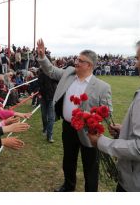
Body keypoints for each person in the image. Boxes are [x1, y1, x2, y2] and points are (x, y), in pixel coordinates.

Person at [37, 39, 112, 192]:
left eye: (80, 60)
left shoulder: (102, 87)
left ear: (89, 65)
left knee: (90, 165)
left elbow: (107, 112)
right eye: (77, 59)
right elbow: (50, 70)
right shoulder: (68, 74)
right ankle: (68, 186)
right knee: (68, 160)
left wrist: (89, 117)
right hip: (68, 127)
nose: (76, 62)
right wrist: (42, 56)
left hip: (89, 132)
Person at [87, 41, 140, 192]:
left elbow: (139, 148)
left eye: (138, 59)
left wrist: (102, 142)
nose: (136, 65)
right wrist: (124, 131)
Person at [38, 57, 58, 143]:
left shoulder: (53, 72)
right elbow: (39, 85)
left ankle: (49, 135)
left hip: (52, 98)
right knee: (43, 115)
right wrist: (39, 93)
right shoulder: (40, 73)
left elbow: (57, 82)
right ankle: (45, 128)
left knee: (51, 117)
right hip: (43, 97)